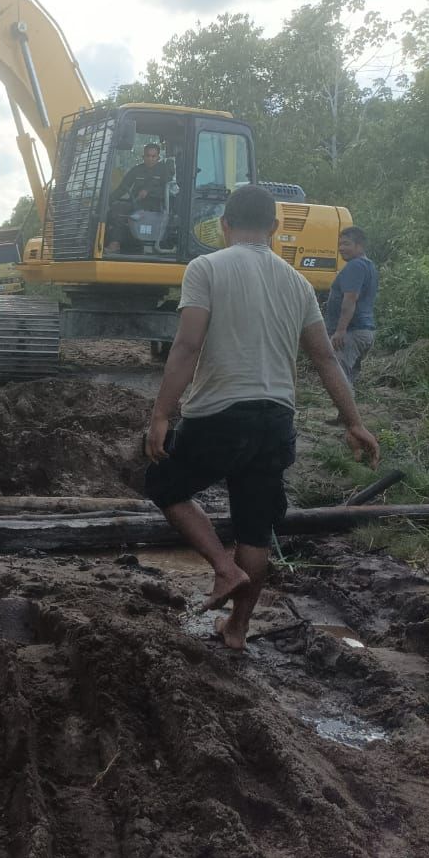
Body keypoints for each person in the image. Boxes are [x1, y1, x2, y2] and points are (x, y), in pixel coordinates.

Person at [144, 184, 379, 651]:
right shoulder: (296, 282)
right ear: (273, 228)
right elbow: (325, 360)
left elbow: (188, 346)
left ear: (224, 226)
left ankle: (223, 569)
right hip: (276, 419)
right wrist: (353, 421)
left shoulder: (206, 267)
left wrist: (161, 414)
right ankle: (237, 629)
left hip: (220, 413)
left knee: (164, 486)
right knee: (254, 523)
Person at [325, 226, 378, 393]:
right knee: (348, 376)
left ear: (359, 245)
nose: (341, 248)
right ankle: (345, 417)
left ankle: (348, 417)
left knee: (339, 377)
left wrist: (340, 330)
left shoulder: (355, 266)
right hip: (364, 331)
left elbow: (350, 299)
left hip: (351, 333)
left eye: (346, 244)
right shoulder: (368, 265)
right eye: (340, 244)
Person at [106, 143, 169, 252]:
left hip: (156, 207)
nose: (150, 159)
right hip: (137, 204)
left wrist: (148, 191)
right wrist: (107, 201)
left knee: (124, 211)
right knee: (116, 209)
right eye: (147, 156)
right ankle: (117, 243)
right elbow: (122, 188)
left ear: (158, 157)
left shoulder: (164, 171)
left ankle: (115, 243)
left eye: (153, 156)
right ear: (143, 157)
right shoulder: (136, 170)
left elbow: (169, 188)